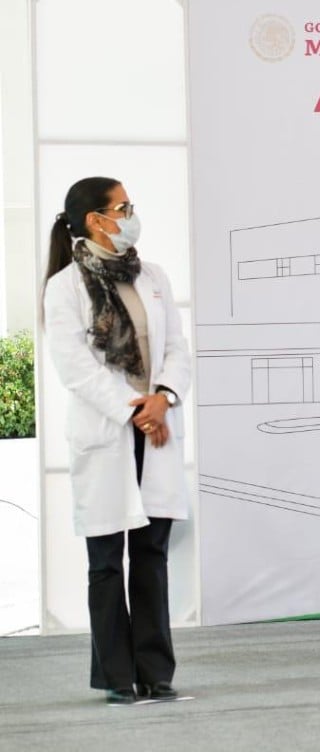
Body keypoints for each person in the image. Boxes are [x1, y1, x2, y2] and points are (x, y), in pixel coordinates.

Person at [42, 177, 190, 705]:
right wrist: (135, 412)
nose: (131, 214)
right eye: (122, 207)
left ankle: (156, 671)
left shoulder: (153, 276)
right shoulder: (64, 287)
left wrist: (163, 398)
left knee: (152, 555)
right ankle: (116, 676)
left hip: (156, 429)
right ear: (94, 221)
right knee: (106, 561)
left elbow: (176, 348)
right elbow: (75, 369)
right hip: (110, 431)